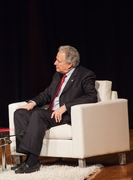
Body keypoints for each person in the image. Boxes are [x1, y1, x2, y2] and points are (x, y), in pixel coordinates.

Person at [12, 45, 98, 174]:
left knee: (39, 115)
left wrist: (66, 106)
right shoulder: (57, 76)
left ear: (69, 64)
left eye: (58, 61)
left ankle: (32, 161)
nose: (54, 63)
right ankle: (28, 158)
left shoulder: (85, 75)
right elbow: (47, 94)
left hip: (64, 115)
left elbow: (91, 97)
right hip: (50, 114)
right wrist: (32, 103)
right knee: (20, 113)